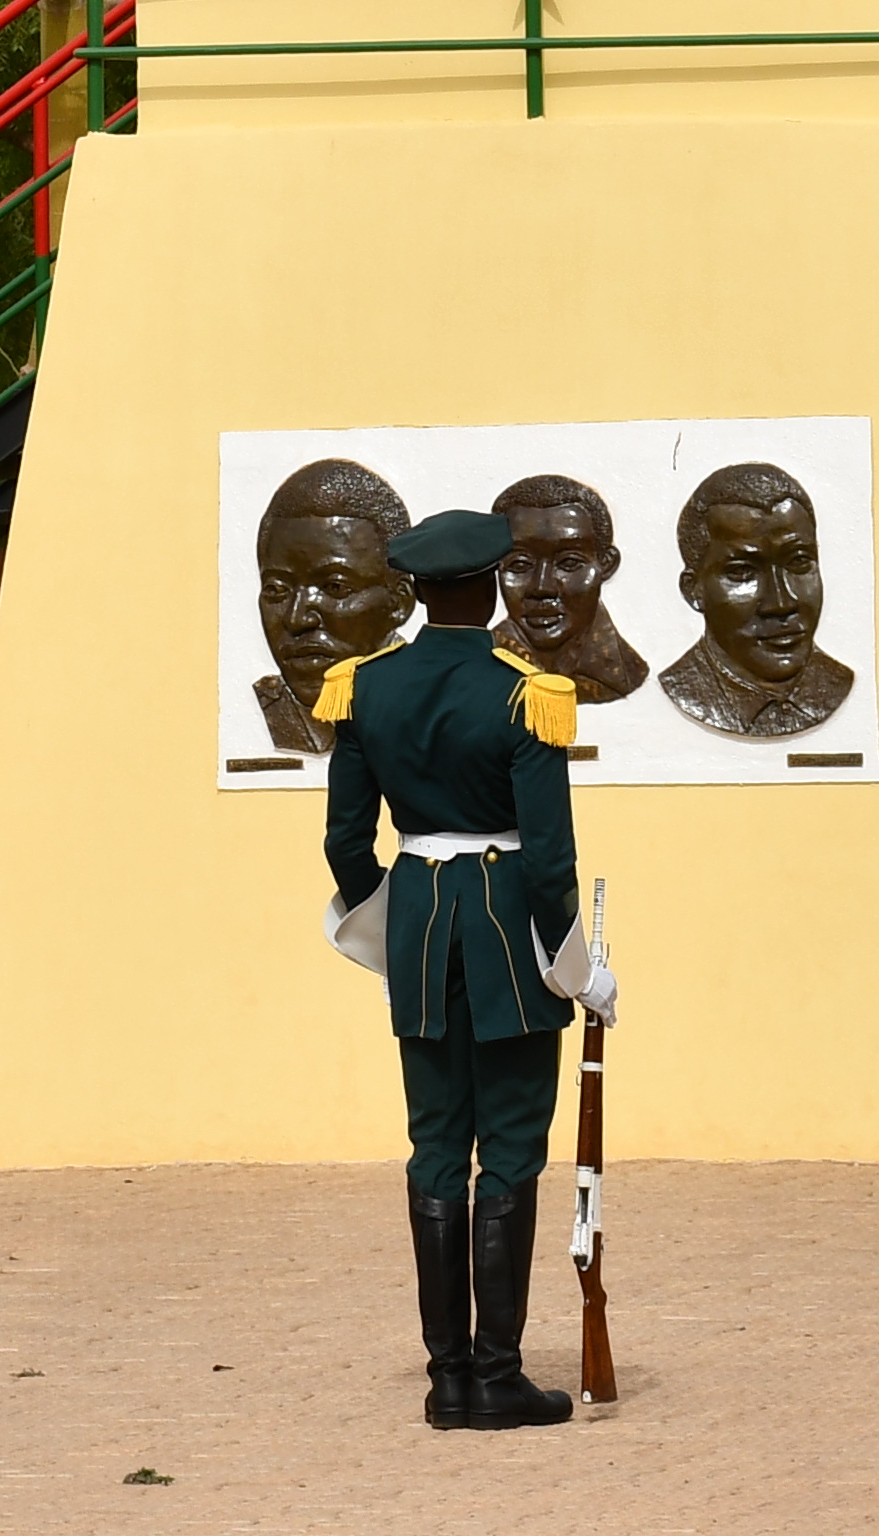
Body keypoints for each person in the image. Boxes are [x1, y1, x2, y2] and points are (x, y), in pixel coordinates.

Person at [326, 506, 612, 1431]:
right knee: (515, 1147)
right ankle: (498, 1376)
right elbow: (552, 860)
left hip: (417, 918)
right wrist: (576, 968)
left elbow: (344, 842)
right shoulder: (526, 690)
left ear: (415, 589)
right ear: (490, 584)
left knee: (438, 1145)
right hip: (503, 925)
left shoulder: (364, 686)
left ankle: (447, 1380)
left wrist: (390, 919)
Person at [657, 459, 857, 738]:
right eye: (742, 572)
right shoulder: (682, 687)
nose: (781, 603)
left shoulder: (836, 683)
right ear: (694, 590)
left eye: (799, 562)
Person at [248, 456, 416, 753]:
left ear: (399, 603)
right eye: (276, 590)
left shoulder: (432, 709)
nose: (298, 618)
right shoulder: (268, 711)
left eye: (335, 587)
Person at [487, 471, 650, 705]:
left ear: (606, 564)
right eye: (520, 564)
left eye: (569, 563)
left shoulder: (623, 673)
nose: (542, 587)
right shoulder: (480, 672)